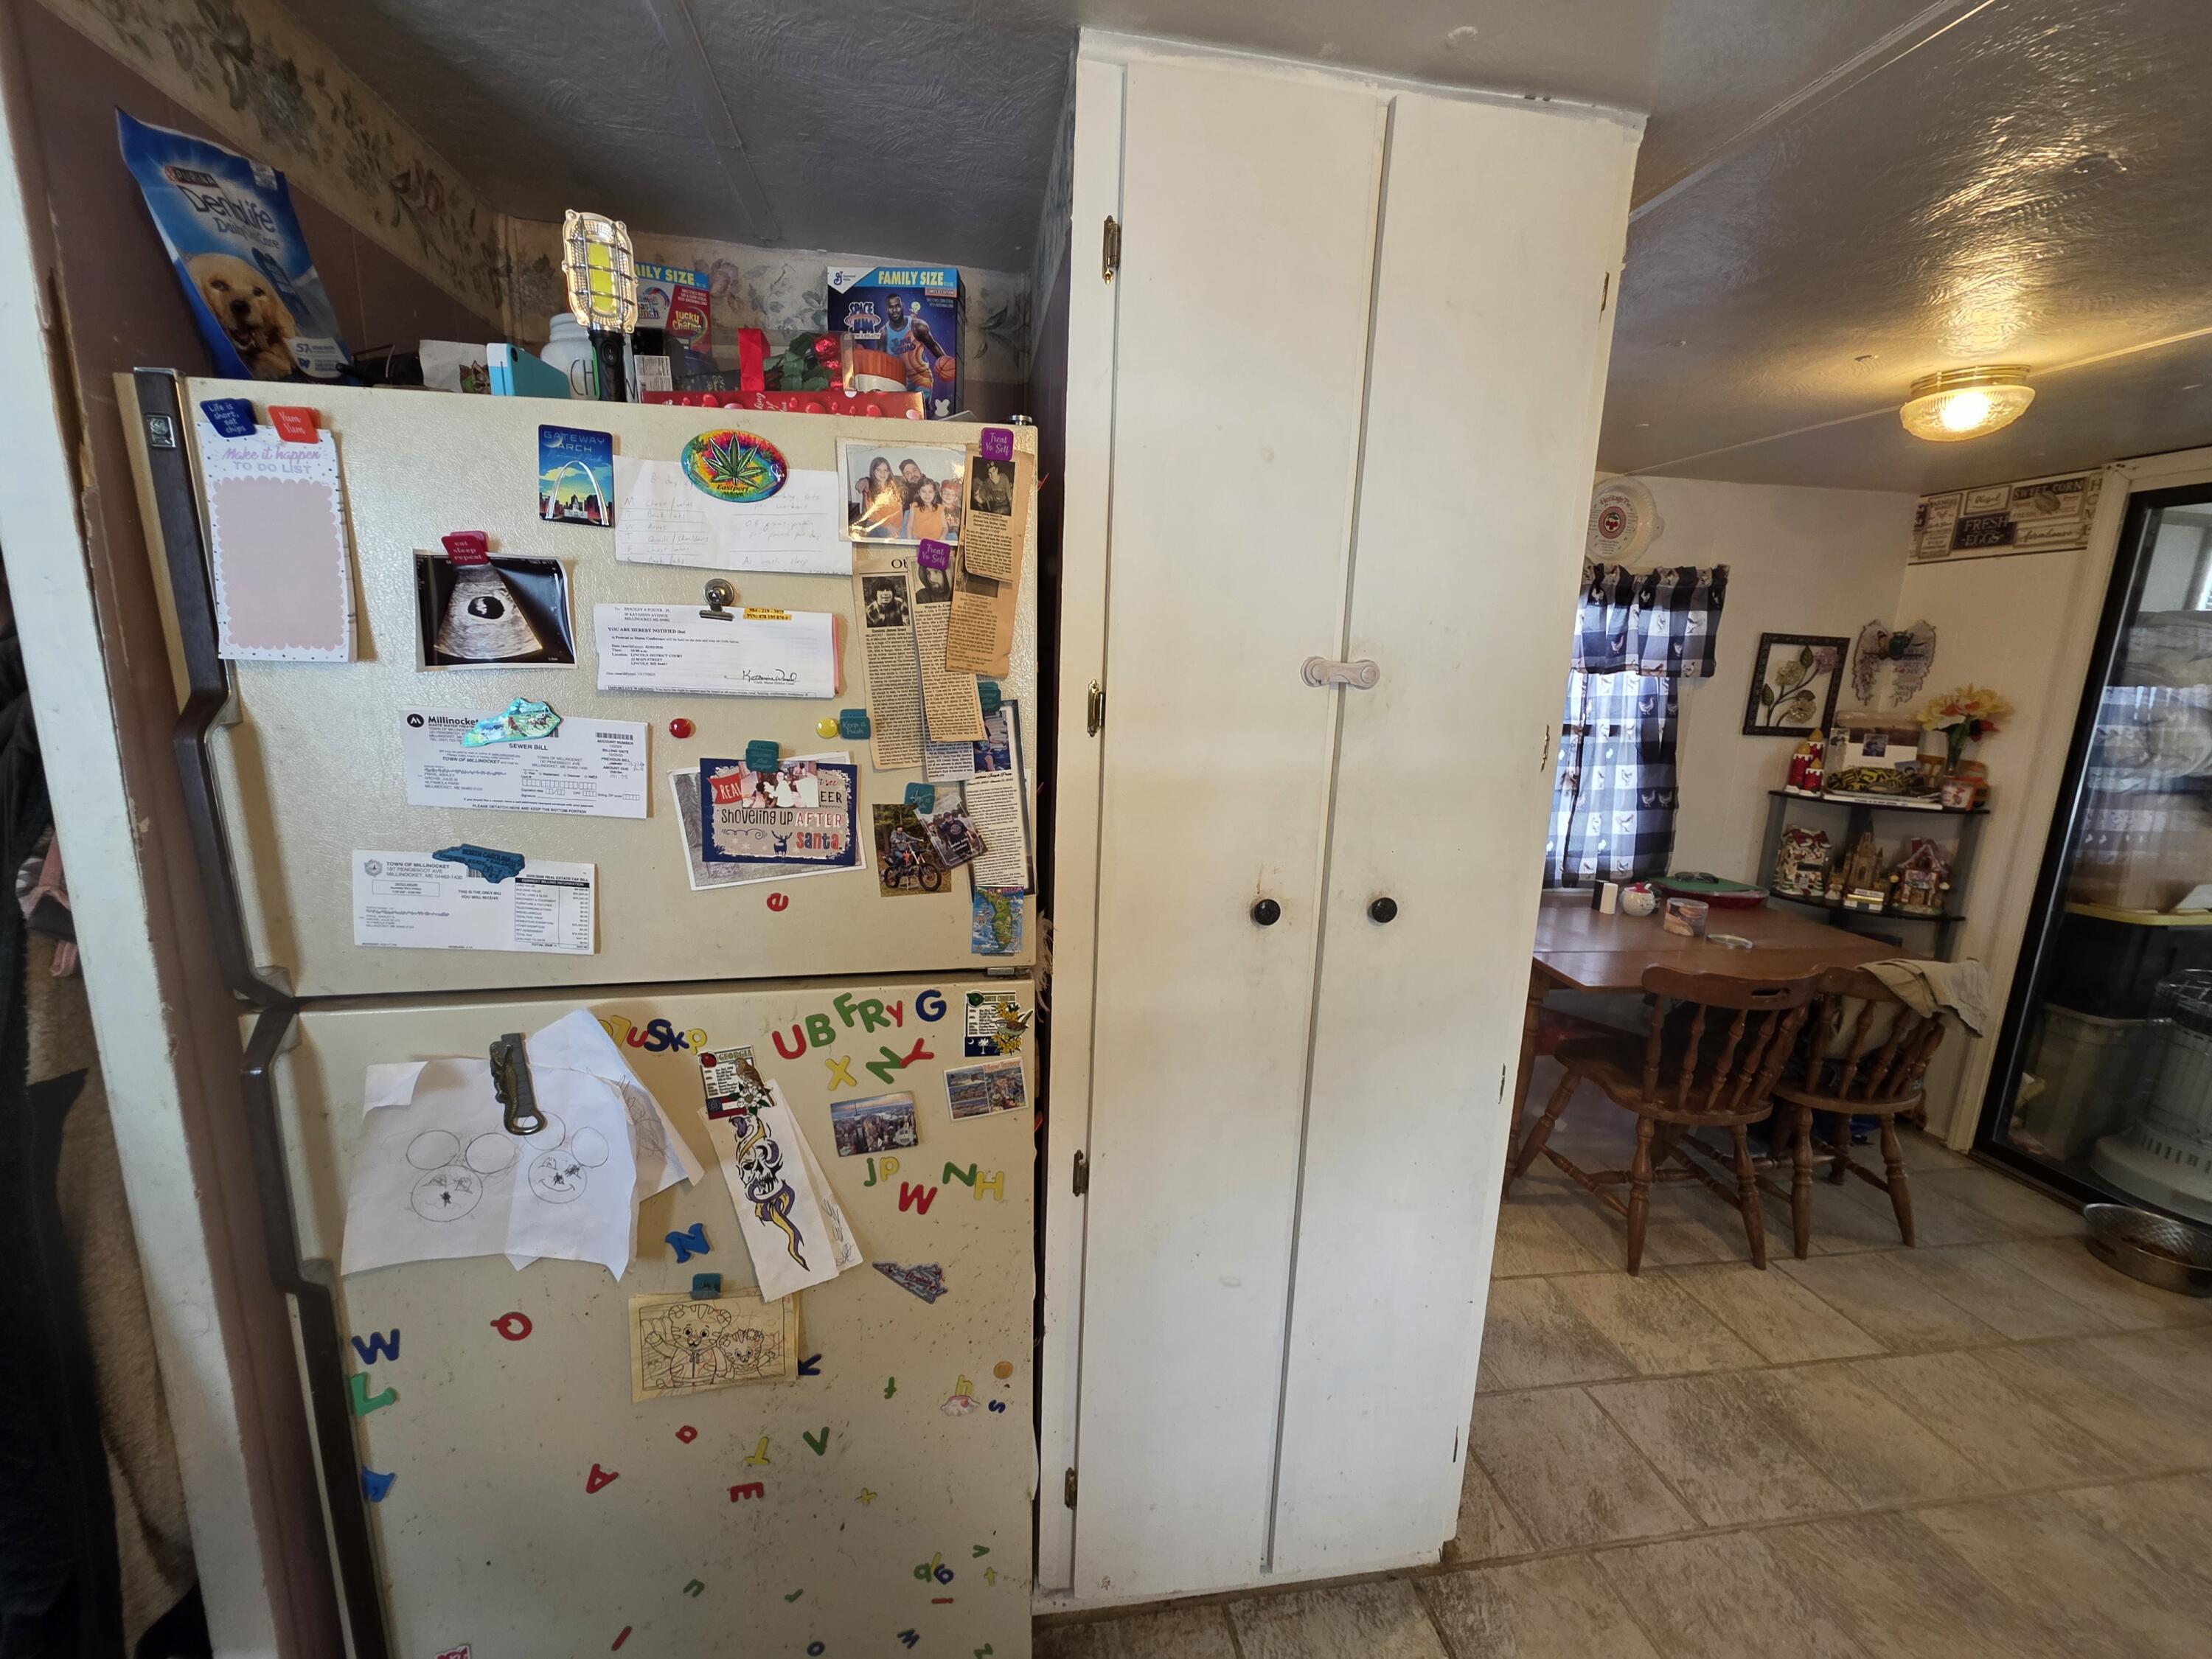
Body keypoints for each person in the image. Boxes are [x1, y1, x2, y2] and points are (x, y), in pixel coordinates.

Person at [883, 293, 947, 389]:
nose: (895, 310)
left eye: (897, 306)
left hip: (921, 377)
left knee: (920, 398)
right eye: (891, 307)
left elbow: (933, 346)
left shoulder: (917, 326)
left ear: (903, 306)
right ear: (887, 310)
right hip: (898, 380)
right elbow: (879, 360)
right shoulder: (884, 334)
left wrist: (947, 364)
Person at [853, 456, 902, 538]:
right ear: (873, 472)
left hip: (893, 525)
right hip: (877, 524)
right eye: (879, 470)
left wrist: (897, 527)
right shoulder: (869, 489)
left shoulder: (894, 487)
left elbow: (899, 510)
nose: (883, 474)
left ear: (889, 472)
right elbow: (873, 514)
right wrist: (888, 526)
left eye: (885, 470)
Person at [905, 476, 949, 542]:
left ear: (934, 493)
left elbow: (945, 527)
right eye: (924, 491)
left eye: (930, 492)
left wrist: (942, 538)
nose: (927, 495)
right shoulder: (914, 507)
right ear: (919, 493)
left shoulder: (940, 508)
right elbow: (910, 526)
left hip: (937, 542)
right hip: (919, 542)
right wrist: (909, 539)